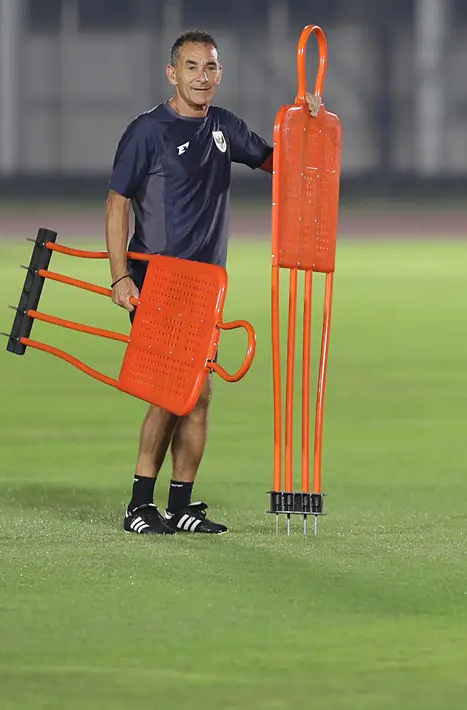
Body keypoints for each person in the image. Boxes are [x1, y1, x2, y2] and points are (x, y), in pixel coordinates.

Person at [105, 29, 320, 535]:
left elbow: (279, 163)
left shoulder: (223, 126)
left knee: (197, 397)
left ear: (219, 74)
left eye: (210, 68)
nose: (202, 77)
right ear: (172, 73)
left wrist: (305, 124)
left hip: (205, 288)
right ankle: (139, 505)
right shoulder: (146, 131)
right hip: (158, 280)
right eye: (192, 67)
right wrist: (119, 277)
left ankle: (179, 506)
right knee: (170, 392)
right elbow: (116, 205)